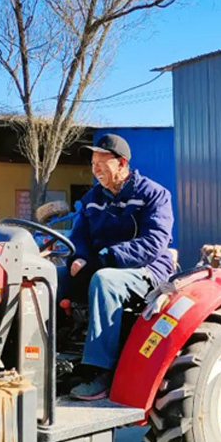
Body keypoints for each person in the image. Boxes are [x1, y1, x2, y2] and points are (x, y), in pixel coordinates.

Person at [67, 134, 174, 400]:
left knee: (105, 281)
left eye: (102, 162)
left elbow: (154, 243)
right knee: (47, 278)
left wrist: (106, 257)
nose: (95, 169)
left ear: (122, 163)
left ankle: (100, 371)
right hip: (102, 264)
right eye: (93, 163)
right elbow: (79, 235)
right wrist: (79, 256)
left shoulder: (153, 194)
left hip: (148, 269)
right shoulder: (93, 197)